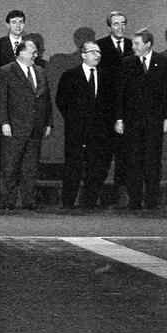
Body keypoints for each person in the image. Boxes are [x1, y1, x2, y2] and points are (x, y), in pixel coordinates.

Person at [114, 29, 167, 210]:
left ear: (148, 44)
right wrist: (119, 118)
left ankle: (151, 201)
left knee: (152, 161)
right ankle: (134, 200)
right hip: (132, 121)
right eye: (133, 43)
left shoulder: (163, 62)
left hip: (155, 121)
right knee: (133, 160)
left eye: (137, 43)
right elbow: (120, 94)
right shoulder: (127, 63)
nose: (133, 47)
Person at [56, 41, 115, 209]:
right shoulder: (70, 75)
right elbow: (61, 100)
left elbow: (110, 103)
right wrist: (75, 120)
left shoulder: (106, 76)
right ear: (83, 55)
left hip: (99, 132)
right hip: (76, 130)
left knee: (96, 166)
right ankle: (68, 202)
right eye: (92, 52)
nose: (97, 55)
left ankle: (89, 202)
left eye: (98, 52)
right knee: (73, 166)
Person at [0, 35, 52, 209]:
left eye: (36, 51)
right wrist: (4, 122)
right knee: (10, 165)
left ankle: (29, 200)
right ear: (20, 52)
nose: (35, 54)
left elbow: (46, 99)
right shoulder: (6, 71)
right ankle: (7, 201)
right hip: (14, 126)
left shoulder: (40, 71)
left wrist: (48, 122)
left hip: (35, 127)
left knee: (30, 167)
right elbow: (1, 99)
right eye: (32, 51)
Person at [97, 11, 133, 199]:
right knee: (104, 151)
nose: (120, 27)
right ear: (109, 26)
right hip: (106, 108)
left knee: (124, 153)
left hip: (127, 108)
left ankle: (121, 194)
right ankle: (100, 194)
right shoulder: (100, 45)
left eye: (123, 23)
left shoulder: (132, 45)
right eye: (116, 24)